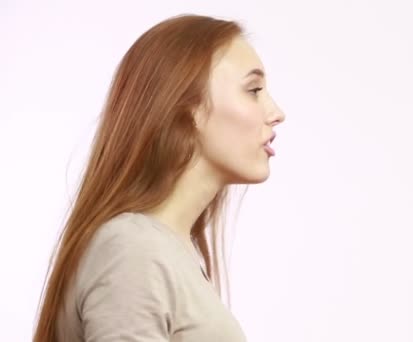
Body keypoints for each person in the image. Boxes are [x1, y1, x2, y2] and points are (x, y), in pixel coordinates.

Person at [33, 13, 286, 342]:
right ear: (188, 108)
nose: (276, 112)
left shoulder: (162, 253)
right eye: (253, 90)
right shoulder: (133, 250)